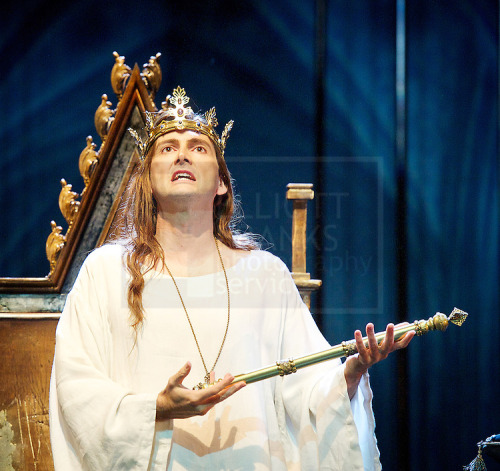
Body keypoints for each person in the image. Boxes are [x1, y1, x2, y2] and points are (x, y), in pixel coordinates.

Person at [49, 86, 413, 470]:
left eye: (198, 147)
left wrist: (349, 376)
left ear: (222, 182)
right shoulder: (106, 272)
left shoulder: (264, 275)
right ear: (147, 178)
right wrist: (155, 408)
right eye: (168, 147)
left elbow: (307, 390)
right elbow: (76, 389)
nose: (183, 154)